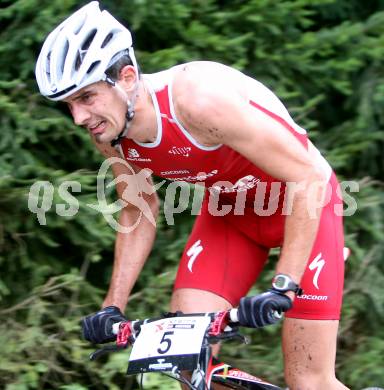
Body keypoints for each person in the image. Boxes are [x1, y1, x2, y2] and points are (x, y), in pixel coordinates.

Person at [35, 2, 349, 389]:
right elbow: (138, 209)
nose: (79, 118)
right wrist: (112, 306)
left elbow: (308, 176)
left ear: (127, 77)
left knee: (309, 381)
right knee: (185, 363)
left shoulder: (198, 101)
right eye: (69, 104)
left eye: (86, 98)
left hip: (306, 209)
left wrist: (284, 282)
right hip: (230, 215)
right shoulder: (112, 133)